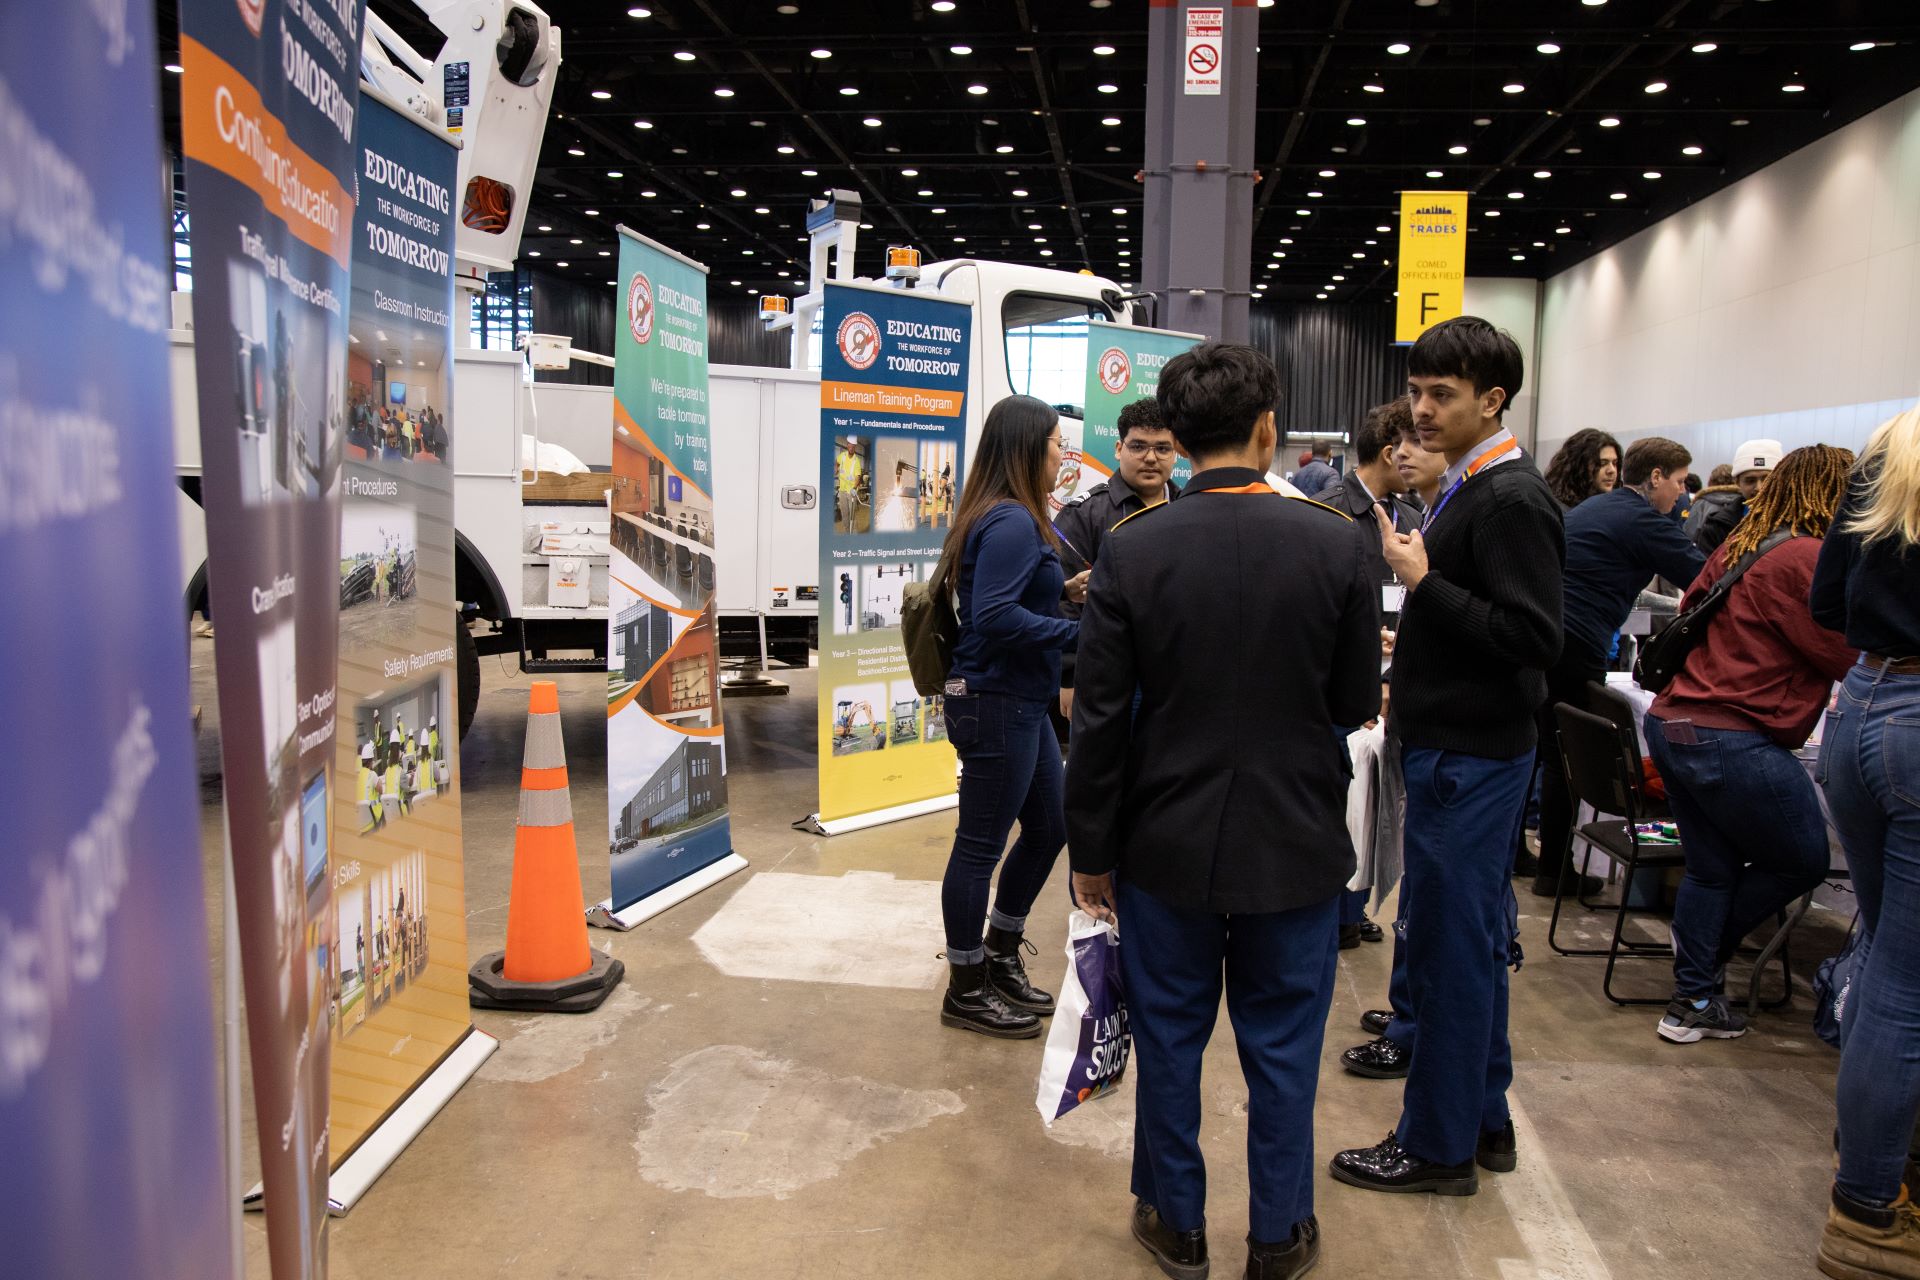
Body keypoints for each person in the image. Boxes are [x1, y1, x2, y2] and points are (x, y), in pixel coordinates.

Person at [1066, 342, 1378, 1280]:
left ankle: (1177, 1221)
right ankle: (1279, 1235)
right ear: (1268, 430)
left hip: (1165, 845)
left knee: (1169, 1036)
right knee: (1284, 1046)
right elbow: (1353, 698)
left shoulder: (1130, 548)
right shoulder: (1337, 540)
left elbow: (1101, 720)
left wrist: (1090, 852)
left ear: (1181, 438)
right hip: (1297, 841)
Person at [1331, 315, 1564, 1197]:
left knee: (1455, 957)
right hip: (1456, 752)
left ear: (1491, 400)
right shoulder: (1476, 488)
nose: (1420, 412)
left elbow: (1532, 636)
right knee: (1465, 946)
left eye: (1441, 396)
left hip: (1471, 759)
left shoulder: (1509, 498)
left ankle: (1436, 1147)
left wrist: (1428, 582)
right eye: (1417, 392)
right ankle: (1483, 1119)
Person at [1643, 445, 1856, 1047]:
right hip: (1728, 733)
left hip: (1677, 721)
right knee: (1804, 860)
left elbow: (1690, 608)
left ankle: (1694, 1000)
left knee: (1710, 870)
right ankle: (1703, 962)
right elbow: (1844, 654)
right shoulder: (1808, 560)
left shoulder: (1745, 544)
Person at [935, 395, 1089, 1039]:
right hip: (996, 703)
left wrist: (1059, 590)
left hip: (1015, 702)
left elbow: (999, 597)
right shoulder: (1011, 522)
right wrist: (1077, 634)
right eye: (1057, 442)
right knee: (979, 848)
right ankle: (966, 985)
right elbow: (993, 616)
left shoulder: (1015, 518)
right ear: (1030, 448)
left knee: (1052, 825)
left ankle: (999, 952)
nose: (1064, 454)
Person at [1812, 409, 1920, 1280]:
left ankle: (1875, 1163)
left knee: (1889, 962)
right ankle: (1869, 1208)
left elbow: (1828, 600)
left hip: (1862, 702)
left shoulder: (1890, 449)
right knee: (1904, 986)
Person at [1532, 437, 1706, 898]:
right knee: (1564, 759)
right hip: (1576, 644)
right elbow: (1706, 580)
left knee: (1548, 756)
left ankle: (1545, 865)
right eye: (1679, 481)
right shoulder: (1644, 520)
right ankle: (1555, 871)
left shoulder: (1595, 509)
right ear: (1655, 478)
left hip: (1548, 639)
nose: (1682, 493)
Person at [1315, 398, 1421, 949]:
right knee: (1339, 797)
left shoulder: (1410, 515)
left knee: (1376, 802)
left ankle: (1354, 905)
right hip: (1343, 688)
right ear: (1390, 451)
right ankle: (1333, 912)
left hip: (1391, 676)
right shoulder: (1329, 510)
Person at [1053, 397, 1181, 722]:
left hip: (1177, 678)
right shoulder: (1085, 514)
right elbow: (1063, 600)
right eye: (1138, 446)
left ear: (1176, 451)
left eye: (1162, 448)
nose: (1151, 458)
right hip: (1108, 676)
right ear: (1118, 448)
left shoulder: (1190, 509)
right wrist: (1069, 675)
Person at [1686, 437, 1782, 552]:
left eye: (1767, 480)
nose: (1759, 488)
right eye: (1750, 480)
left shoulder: (1798, 522)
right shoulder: (1718, 526)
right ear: (1737, 482)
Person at [1543, 427, 1623, 510]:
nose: (1612, 470)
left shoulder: (1615, 507)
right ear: (1580, 466)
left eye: (1615, 463)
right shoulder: (1558, 510)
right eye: (1602, 464)